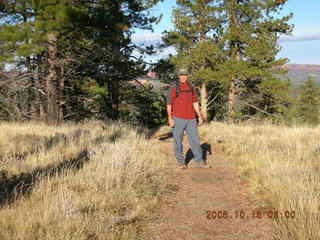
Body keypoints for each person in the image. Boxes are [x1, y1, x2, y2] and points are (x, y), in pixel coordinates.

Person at [166, 67, 211, 169]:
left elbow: (195, 102)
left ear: (187, 75)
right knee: (178, 141)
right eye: (181, 75)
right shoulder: (174, 87)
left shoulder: (191, 87)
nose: (183, 77)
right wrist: (170, 118)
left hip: (191, 119)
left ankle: (199, 161)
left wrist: (199, 116)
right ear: (178, 76)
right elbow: (169, 104)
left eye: (185, 75)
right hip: (178, 118)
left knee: (195, 140)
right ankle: (181, 163)